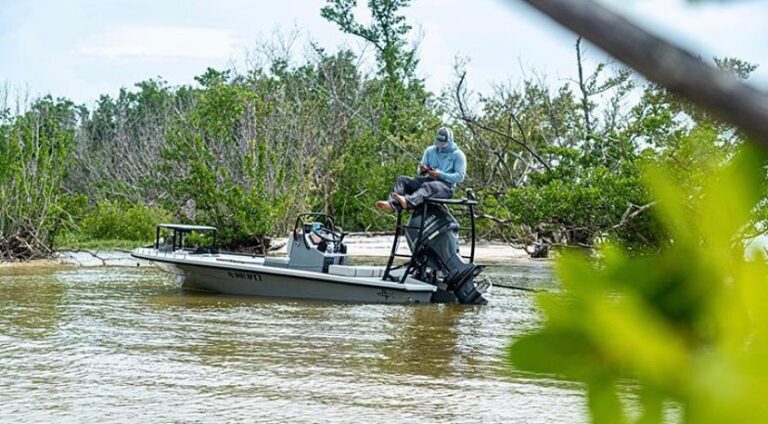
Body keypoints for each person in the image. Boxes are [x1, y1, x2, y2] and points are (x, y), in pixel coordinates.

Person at [376, 127, 466, 212]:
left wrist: (440, 174)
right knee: (402, 180)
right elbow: (418, 171)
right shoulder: (430, 151)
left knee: (429, 186)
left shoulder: (458, 155)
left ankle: (408, 202)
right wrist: (422, 170)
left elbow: (460, 177)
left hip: (445, 187)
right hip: (428, 180)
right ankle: (392, 204)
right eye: (438, 143)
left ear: (450, 142)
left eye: (443, 145)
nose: (440, 147)